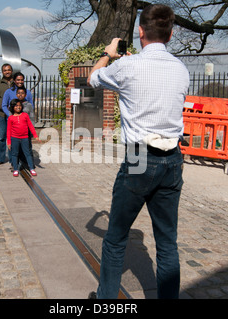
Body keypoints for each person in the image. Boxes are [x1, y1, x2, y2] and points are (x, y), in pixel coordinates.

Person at [87, 4, 189, 299]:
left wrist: (108, 54)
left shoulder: (126, 67)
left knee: (116, 238)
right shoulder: (181, 70)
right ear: (170, 34)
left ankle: (106, 300)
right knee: (168, 243)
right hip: (172, 159)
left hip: (139, 158)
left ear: (140, 31)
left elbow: (94, 78)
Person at [6, 99, 40, 177]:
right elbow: (8, 131)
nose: (18, 107)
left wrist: (35, 135)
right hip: (14, 138)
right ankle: (15, 169)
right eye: (16, 106)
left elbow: (30, 126)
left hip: (25, 138)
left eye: (20, 105)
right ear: (13, 107)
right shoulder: (11, 118)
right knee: (15, 154)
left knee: (28, 153)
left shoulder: (25, 115)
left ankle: (31, 168)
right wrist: (9, 142)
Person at [0, 64, 14, 166]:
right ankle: (0, 158)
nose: (7, 72)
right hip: (2, 115)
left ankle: (13, 158)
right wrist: (3, 106)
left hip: (13, 115)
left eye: (9, 70)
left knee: (13, 137)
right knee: (2, 136)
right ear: (2, 72)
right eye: (5, 70)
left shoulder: (16, 83)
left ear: (11, 71)